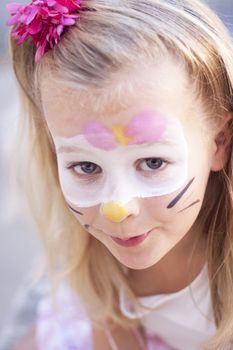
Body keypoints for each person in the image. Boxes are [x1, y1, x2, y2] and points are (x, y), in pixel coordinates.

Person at [6, 0, 233, 349]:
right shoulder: (92, 257)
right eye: (86, 167)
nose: (117, 206)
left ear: (219, 142)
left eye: (153, 163)